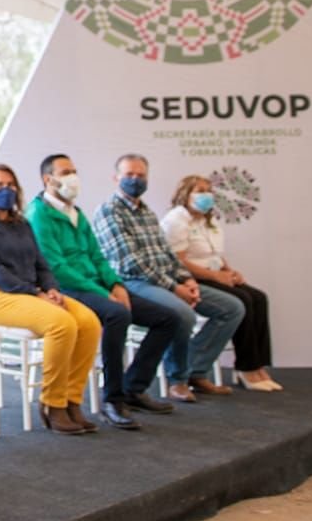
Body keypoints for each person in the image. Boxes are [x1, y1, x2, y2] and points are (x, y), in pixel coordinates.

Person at [27, 154, 181, 428]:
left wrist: (115, 284)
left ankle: (134, 388)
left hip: (96, 286)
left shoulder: (76, 212)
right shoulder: (39, 215)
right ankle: (113, 400)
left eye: (74, 171)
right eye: (65, 172)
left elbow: (98, 256)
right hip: (67, 289)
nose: (73, 177)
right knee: (117, 315)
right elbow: (56, 267)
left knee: (167, 318)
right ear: (47, 179)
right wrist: (101, 291)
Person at [91, 154, 243, 403]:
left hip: (166, 280)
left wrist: (187, 280)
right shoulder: (109, 211)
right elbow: (131, 262)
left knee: (232, 308)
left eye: (140, 175)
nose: (135, 180)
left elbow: (168, 253)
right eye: (129, 174)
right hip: (132, 283)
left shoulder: (147, 212)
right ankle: (177, 380)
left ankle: (196, 370)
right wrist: (174, 287)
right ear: (116, 178)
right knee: (182, 314)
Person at [0, 165, 103, 435]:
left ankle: (72, 400)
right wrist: (35, 293)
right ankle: (53, 404)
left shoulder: (22, 223)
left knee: (89, 323)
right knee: (62, 324)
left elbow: (42, 264)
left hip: (31, 293)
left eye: (10, 185)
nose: (6, 190)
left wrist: (51, 288)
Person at [162, 175, 279, 391]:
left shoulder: (209, 220)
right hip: (189, 279)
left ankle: (258, 366)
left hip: (213, 273)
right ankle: (246, 368)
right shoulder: (176, 220)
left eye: (209, 191)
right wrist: (216, 276)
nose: (206, 195)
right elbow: (178, 262)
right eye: (200, 191)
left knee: (258, 298)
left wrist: (229, 271)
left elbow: (215, 254)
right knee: (242, 301)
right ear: (185, 194)